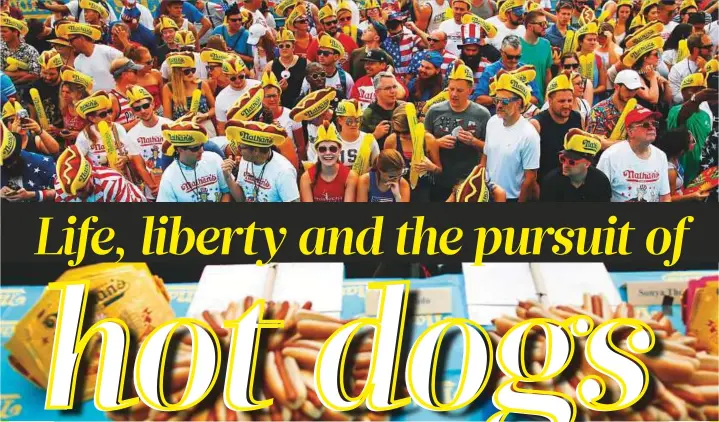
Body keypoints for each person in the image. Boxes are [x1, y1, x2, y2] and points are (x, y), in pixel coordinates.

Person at [425, 61, 490, 201]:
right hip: (439, 180)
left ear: (470, 90)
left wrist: (473, 141)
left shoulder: (482, 114)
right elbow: (421, 144)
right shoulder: (434, 111)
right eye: (451, 89)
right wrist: (436, 143)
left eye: (459, 90)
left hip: (467, 182)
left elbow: (490, 149)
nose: (454, 94)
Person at [74, 91, 154, 192]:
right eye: (103, 114)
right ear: (92, 118)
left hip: (123, 179)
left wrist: (125, 158)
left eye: (110, 111)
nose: (109, 116)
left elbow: (133, 152)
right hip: (101, 183)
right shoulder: (84, 136)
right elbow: (78, 161)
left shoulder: (118, 128)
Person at [480, 73, 540, 201]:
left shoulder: (529, 135)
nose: (499, 105)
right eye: (497, 100)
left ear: (518, 103)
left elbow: (530, 178)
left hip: (511, 198)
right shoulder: (492, 122)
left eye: (505, 101)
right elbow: (485, 157)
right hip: (488, 194)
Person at [597, 107, 671, 202]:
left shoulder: (661, 156)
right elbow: (598, 196)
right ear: (630, 131)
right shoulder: (610, 156)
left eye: (654, 124)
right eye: (645, 125)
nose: (652, 127)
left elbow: (665, 197)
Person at [157, 116, 231, 202]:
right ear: (180, 149)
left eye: (202, 146)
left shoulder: (214, 159)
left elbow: (227, 192)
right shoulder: (168, 177)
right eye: (195, 148)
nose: (201, 151)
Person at [223, 120, 300, 202]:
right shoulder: (245, 160)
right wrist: (228, 178)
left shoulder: (284, 171)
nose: (238, 151)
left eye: (241, 147)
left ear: (256, 151)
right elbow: (241, 199)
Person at [383, 102, 442, 202]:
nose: (402, 135)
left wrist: (431, 167)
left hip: (422, 191)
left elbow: (439, 169)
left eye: (406, 132)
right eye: (397, 131)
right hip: (397, 189)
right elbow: (384, 168)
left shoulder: (428, 140)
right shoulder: (392, 140)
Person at [531, 73, 583, 183]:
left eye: (569, 100)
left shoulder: (577, 118)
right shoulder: (537, 124)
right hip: (545, 183)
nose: (566, 105)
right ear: (550, 101)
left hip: (571, 181)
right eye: (561, 101)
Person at [667, 72, 717, 183]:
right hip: (682, 170)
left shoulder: (706, 114)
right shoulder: (675, 110)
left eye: (703, 89)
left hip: (702, 171)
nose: (700, 93)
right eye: (695, 90)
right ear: (683, 91)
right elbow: (681, 118)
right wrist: (696, 99)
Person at [55, 144, 147, 202]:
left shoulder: (113, 182)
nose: (77, 195)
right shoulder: (61, 186)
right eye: (73, 193)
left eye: (81, 190)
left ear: (91, 176)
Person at [540, 129, 611, 201]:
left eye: (571, 162)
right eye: (562, 159)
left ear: (587, 164)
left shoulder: (600, 181)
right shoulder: (551, 181)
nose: (565, 165)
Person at [125, 85, 169, 200]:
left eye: (145, 106)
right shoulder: (132, 134)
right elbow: (140, 167)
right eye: (137, 108)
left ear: (153, 104)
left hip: (172, 183)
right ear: (132, 111)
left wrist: (164, 186)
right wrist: (154, 188)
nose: (143, 111)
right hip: (153, 190)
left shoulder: (170, 126)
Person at [473, 35, 540, 108]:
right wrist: (500, 100)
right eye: (510, 57)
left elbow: (535, 99)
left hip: (522, 116)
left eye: (517, 57)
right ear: (501, 52)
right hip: (497, 115)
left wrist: (516, 98)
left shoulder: (526, 70)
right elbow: (478, 99)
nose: (514, 60)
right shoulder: (490, 71)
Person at [313, 99, 380, 169]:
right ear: (339, 120)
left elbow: (377, 167)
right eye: (349, 121)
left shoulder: (369, 139)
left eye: (357, 120)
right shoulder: (331, 140)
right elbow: (318, 167)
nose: (354, 124)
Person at [299, 121, 358, 201]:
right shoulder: (306, 178)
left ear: (339, 149)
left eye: (332, 149)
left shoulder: (350, 176)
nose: (328, 153)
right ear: (317, 151)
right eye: (322, 149)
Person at [161, 52, 216, 137]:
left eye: (192, 70)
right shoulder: (168, 88)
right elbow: (167, 117)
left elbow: (214, 107)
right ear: (177, 73)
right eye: (187, 71)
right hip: (182, 131)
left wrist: (206, 115)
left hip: (204, 127)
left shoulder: (202, 84)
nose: (191, 73)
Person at [587, 69, 645, 149]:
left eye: (635, 89)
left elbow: (644, 140)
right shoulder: (598, 111)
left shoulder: (640, 110)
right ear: (616, 86)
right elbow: (596, 143)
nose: (632, 93)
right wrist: (632, 143)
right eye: (629, 89)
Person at [0, 122, 56, 202]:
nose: (8, 166)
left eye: (11, 161)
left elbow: (62, 193)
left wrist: (32, 195)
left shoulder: (41, 163)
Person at [60, 22, 122, 92]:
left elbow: (129, 66)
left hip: (116, 99)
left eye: (71, 40)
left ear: (81, 38)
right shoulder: (77, 61)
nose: (70, 44)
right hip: (95, 100)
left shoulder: (107, 51)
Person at [654, 127, 709, 201]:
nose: (694, 143)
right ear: (681, 150)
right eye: (691, 141)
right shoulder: (670, 171)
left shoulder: (675, 159)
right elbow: (668, 199)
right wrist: (692, 196)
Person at [261, 70, 306, 156]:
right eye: (268, 96)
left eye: (274, 95)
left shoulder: (291, 115)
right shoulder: (257, 117)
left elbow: (301, 146)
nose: (272, 99)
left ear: (279, 96)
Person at [214, 56, 260, 135]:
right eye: (233, 78)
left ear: (244, 72)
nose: (238, 80)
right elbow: (221, 128)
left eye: (241, 77)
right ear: (226, 76)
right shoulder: (221, 98)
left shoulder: (258, 86)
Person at [306, 4, 358, 71]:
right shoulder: (316, 42)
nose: (332, 25)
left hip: (345, 80)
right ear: (322, 25)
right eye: (328, 23)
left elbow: (357, 61)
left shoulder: (348, 39)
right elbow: (309, 65)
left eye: (334, 22)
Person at [361, 71, 405, 148]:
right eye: (388, 88)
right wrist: (375, 135)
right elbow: (359, 144)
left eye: (394, 87)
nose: (393, 91)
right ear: (377, 92)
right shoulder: (368, 114)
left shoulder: (404, 108)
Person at [302, 34, 355, 98]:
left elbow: (350, 101)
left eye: (326, 53)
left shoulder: (346, 78)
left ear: (336, 57)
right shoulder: (312, 76)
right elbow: (303, 99)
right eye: (319, 52)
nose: (321, 56)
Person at [25, 50, 64, 137]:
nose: (48, 77)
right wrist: (37, 131)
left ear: (60, 71)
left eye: (52, 74)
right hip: (43, 132)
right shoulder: (32, 88)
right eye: (44, 73)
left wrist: (60, 131)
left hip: (64, 130)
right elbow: (33, 116)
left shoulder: (67, 86)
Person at [0, 13, 40, 98]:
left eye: (5, 31)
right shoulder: (0, 49)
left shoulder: (30, 50)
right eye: (0, 32)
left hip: (27, 91)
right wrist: (23, 73)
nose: (1, 34)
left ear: (15, 32)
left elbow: (35, 75)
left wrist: (13, 81)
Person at [266, 28, 307, 109]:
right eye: (281, 46)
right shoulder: (270, 65)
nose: (284, 48)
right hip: (279, 106)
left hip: (300, 105)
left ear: (293, 47)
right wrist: (278, 88)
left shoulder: (304, 63)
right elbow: (265, 89)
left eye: (287, 45)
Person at [668, 32, 713, 104]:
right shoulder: (677, 69)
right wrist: (701, 73)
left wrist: (707, 70)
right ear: (696, 50)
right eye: (708, 47)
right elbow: (675, 98)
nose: (711, 49)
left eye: (712, 45)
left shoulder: (714, 63)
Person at [381, 12, 428, 80]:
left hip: (411, 79)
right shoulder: (385, 43)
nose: (397, 36)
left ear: (402, 25)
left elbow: (430, 43)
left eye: (399, 33)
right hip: (394, 80)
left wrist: (415, 29)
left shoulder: (411, 38)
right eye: (394, 34)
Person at [521, 10, 552, 103]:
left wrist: (547, 98)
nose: (545, 26)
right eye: (541, 24)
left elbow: (547, 73)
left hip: (541, 102)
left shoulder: (546, 44)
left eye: (546, 23)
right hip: (522, 102)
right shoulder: (516, 45)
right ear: (530, 26)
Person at [58, 66, 92, 146]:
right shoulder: (65, 107)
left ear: (79, 94)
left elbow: (96, 132)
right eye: (63, 91)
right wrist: (57, 131)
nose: (64, 95)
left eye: (68, 92)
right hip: (70, 148)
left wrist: (79, 135)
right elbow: (68, 129)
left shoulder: (88, 110)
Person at [125, 46, 164, 114]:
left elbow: (163, 97)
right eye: (148, 63)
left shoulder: (156, 74)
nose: (151, 64)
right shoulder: (128, 80)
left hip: (160, 113)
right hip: (141, 115)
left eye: (152, 60)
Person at [108, 57, 144, 130]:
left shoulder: (134, 91)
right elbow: (108, 129)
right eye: (135, 71)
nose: (138, 73)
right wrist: (134, 124)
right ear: (124, 74)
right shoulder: (113, 99)